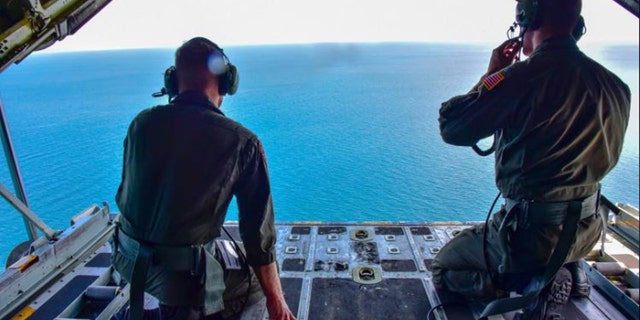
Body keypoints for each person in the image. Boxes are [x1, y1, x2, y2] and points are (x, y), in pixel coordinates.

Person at [431, 0, 630, 318]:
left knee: (444, 268)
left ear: (527, 17)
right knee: (561, 224)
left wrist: (492, 73)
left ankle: (532, 285)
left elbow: (454, 127)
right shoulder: (616, 87)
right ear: (576, 25)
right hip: (588, 229)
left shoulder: (520, 78)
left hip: (531, 238)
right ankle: (567, 270)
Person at [111, 36, 296, 320]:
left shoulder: (141, 124)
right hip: (181, 281)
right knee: (257, 283)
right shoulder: (242, 142)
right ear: (225, 82)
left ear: (173, 81)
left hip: (127, 260)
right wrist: (277, 300)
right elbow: (257, 238)